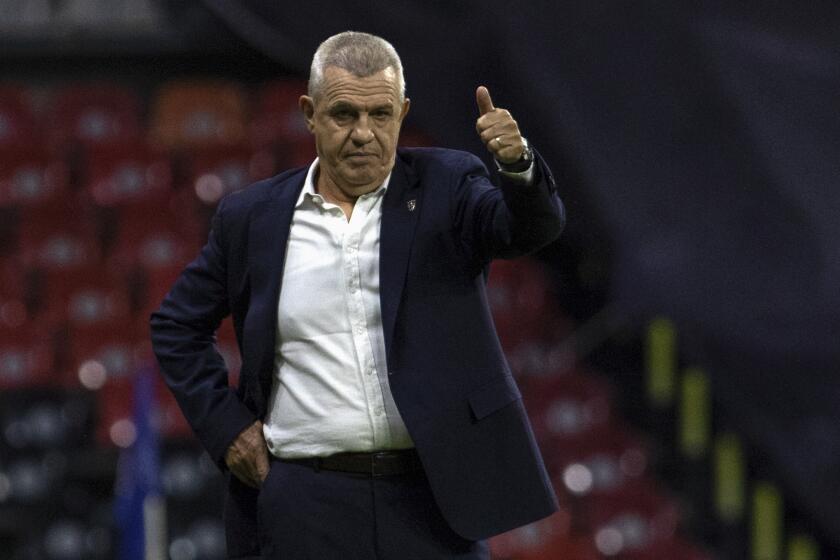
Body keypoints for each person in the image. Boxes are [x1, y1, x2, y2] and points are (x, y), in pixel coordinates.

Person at [151, 31, 565, 559]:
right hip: (304, 503)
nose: (364, 134)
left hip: (435, 502)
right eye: (344, 114)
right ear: (309, 112)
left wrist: (518, 166)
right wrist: (228, 427)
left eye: (381, 114)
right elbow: (176, 324)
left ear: (403, 112)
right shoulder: (252, 218)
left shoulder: (448, 186)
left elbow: (526, 230)